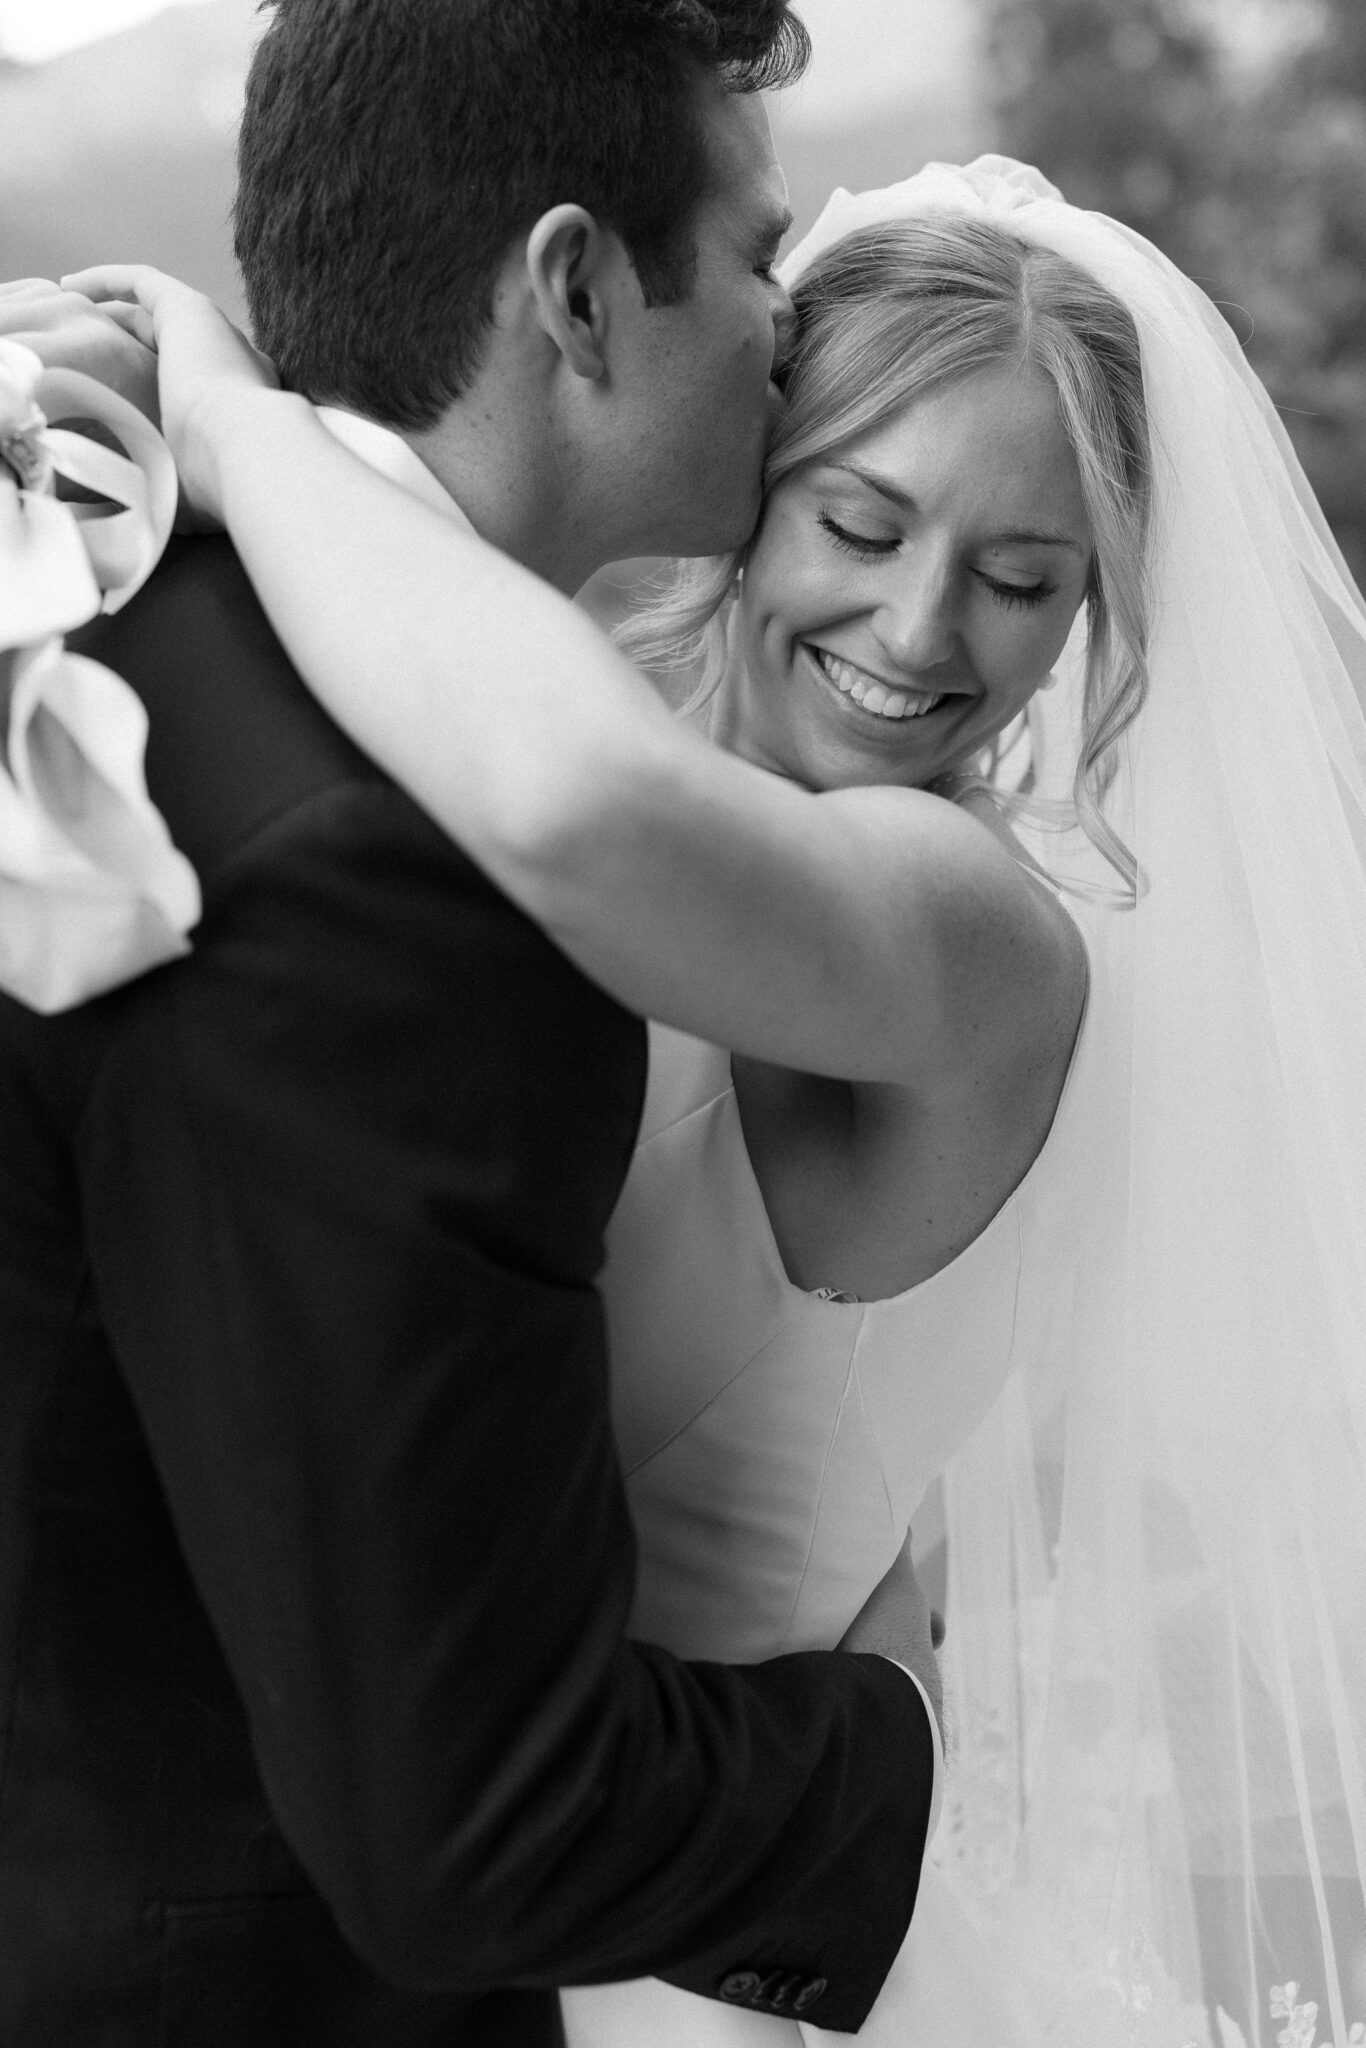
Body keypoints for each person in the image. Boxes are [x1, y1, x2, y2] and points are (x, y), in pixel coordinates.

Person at [63, 153, 1366, 2047]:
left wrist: (240, 422)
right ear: (751, 469)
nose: (925, 636)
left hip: (678, 1932)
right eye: (859, 519)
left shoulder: (970, 934)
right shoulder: (533, 713)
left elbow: (580, 819)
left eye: (1023, 581)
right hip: (376, 1860)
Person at [0, 6, 951, 2044]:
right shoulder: (396, 872)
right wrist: (914, 1748)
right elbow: (481, 1830)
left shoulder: (91, 616)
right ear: (577, 289)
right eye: (757, 253)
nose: (784, 321)